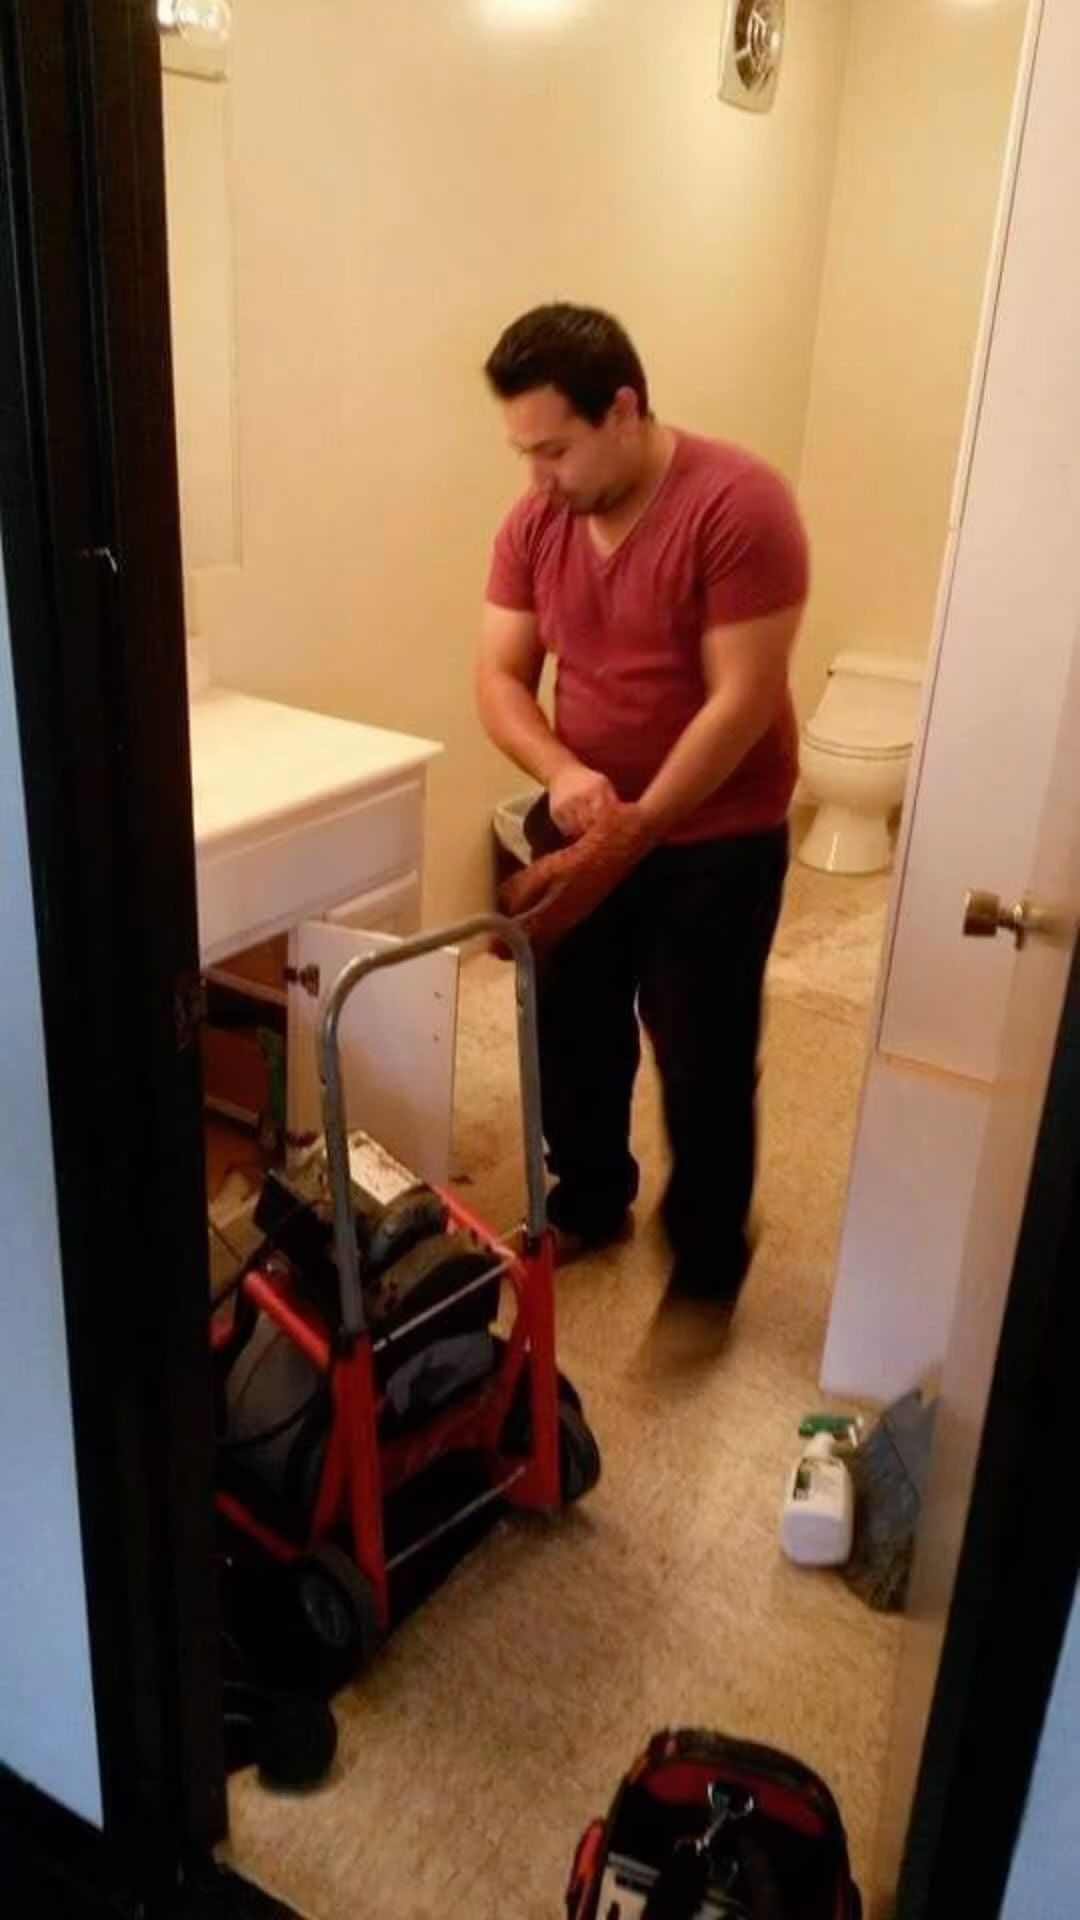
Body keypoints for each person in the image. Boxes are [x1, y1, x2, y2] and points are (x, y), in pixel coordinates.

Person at [476, 303, 808, 1305]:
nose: (538, 478)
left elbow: (742, 700)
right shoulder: (536, 521)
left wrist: (639, 827)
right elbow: (498, 677)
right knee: (570, 1032)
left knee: (701, 1055)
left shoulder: (739, 505)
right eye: (524, 452)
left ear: (623, 409)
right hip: (589, 817)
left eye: (556, 450)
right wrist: (564, 773)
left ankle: (707, 1265)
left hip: (713, 835)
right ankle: (589, 1203)